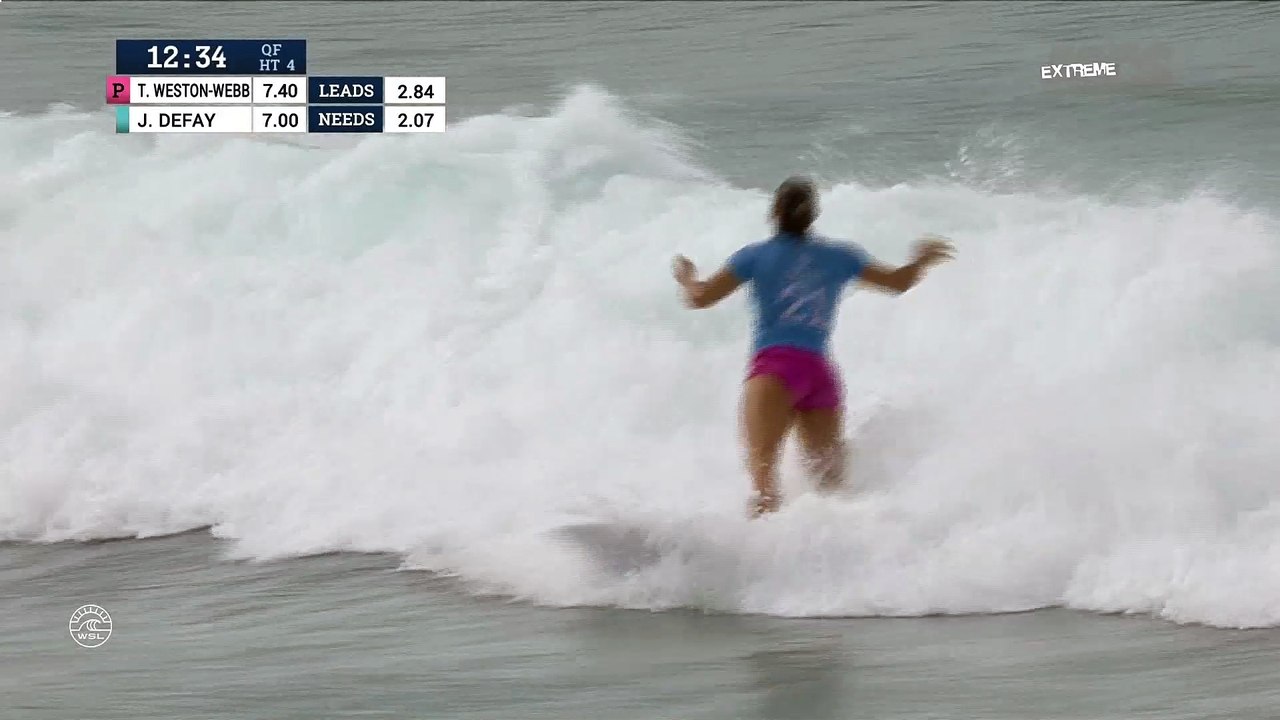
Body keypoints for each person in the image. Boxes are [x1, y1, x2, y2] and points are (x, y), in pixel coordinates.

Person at [671, 176, 954, 517]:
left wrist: (686, 276)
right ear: (813, 216)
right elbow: (898, 283)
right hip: (819, 375)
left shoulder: (754, 256)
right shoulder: (840, 256)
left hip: (774, 371)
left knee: (764, 486)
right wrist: (920, 261)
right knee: (832, 494)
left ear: (775, 212)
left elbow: (700, 298)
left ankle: (761, 565)